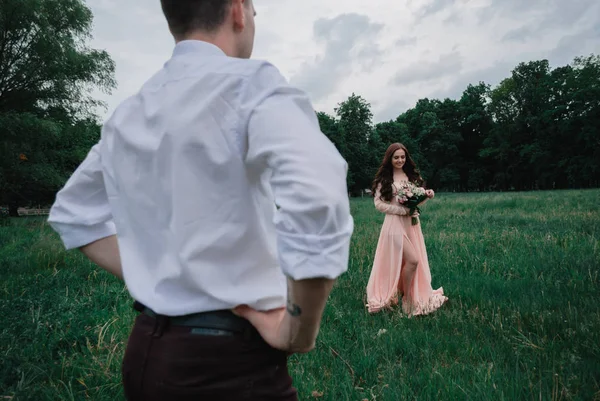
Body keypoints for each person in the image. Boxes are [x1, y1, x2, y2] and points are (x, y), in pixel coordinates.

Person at [47, 0, 354, 399]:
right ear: (238, 11)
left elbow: (74, 214)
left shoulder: (130, 112)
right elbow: (319, 196)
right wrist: (297, 332)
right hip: (228, 366)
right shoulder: (250, 84)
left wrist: (160, 273)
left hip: (146, 355)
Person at [365, 143, 447, 316]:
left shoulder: (410, 176)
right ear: (390, 159)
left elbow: (416, 201)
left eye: (402, 157)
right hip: (394, 225)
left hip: (412, 224)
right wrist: (401, 211)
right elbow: (378, 204)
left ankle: (405, 294)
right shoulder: (385, 178)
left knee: (409, 262)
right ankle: (407, 299)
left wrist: (427, 195)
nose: (400, 160)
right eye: (396, 157)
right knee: (413, 260)